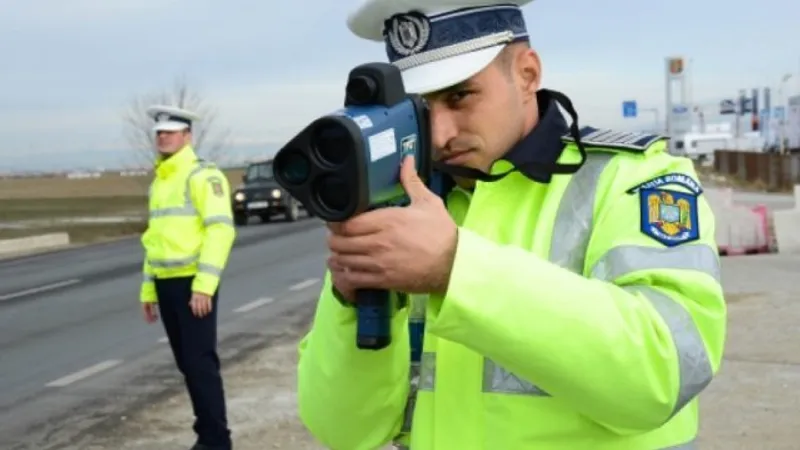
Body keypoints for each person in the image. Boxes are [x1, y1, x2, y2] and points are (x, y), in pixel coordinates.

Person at [297, 0, 728, 449]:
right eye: (420, 111)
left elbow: (664, 374)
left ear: (527, 74)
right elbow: (343, 431)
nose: (440, 134)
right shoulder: (404, 208)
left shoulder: (634, 178)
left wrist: (455, 268)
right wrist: (351, 307)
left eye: (460, 96)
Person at [139, 105, 236, 450]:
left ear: (187, 136)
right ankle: (207, 435)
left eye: (170, 131)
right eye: (159, 133)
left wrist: (204, 286)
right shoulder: (160, 182)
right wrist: (148, 290)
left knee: (200, 363)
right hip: (166, 284)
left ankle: (216, 441)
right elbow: (154, 240)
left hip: (194, 283)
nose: (163, 136)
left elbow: (220, 231)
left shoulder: (202, 176)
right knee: (187, 364)